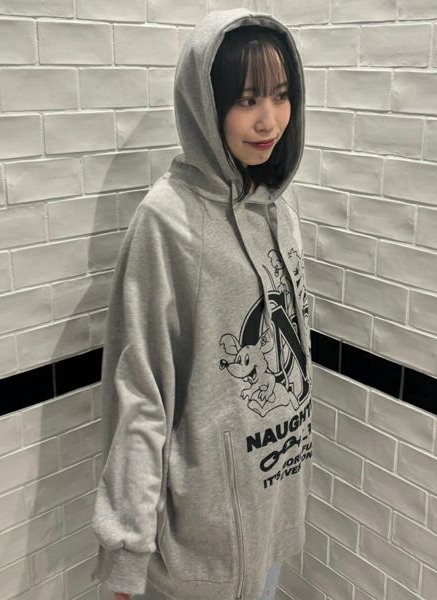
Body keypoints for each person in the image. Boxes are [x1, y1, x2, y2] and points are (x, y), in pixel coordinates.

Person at [91, 7, 313, 600]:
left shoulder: (279, 212)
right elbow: (140, 394)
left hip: (270, 514)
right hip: (197, 550)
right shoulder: (166, 221)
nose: (269, 120)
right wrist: (127, 553)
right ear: (205, 104)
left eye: (281, 96)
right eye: (246, 100)